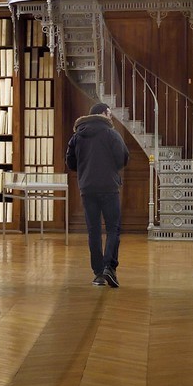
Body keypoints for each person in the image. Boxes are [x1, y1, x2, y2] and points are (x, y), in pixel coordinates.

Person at [65, 101, 129, 287]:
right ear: (102, 113)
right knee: (113, 228)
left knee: (93, 230)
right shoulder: (111, 134)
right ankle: (110, 267)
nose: (111, 117)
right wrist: (110, 169)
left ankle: (99, 274)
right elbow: (123, 157)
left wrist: (86, 171)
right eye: (109, 113)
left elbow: (70, 162)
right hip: (109, 187)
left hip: (87, 188)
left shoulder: (77, 136)